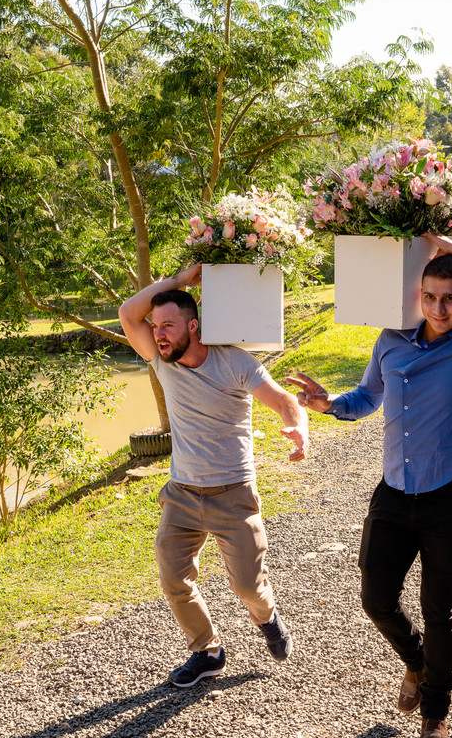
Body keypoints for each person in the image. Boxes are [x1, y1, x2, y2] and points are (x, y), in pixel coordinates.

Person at [285, 233, 452, 738]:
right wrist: (328, 406)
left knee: (439, 610)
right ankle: (416, 662)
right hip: (393, 491)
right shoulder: (391, 341)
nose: (440, 308)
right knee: (376, 599)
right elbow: (369, 395)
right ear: (418, 295)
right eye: (431, 297)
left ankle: (436, 712)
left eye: (451, 298)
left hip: (448, 494)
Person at [119, 266, 309, 688]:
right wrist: (181, 280)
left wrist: (298, 427)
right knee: (173, 578)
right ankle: (208, 651)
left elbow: (282, 401)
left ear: (193, 326)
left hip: (233, 493)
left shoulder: (236, 363)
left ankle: (268, 617)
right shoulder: (162, 362)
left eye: (167, 325)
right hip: (183, 492)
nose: (158, 333)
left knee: (248, 586)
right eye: (156, 327)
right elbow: (127, 313)